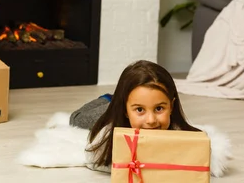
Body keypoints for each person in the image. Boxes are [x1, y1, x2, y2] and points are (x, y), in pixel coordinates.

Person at [70, 60, 201, 171]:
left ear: (171, 106)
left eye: (159, 108)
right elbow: (92, 158)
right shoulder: (109, 131)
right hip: (108, 106)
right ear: (125, 110)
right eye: (140, 109)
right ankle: (109, 99)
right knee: (77, 118)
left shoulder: (180, 133)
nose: (151, 120)